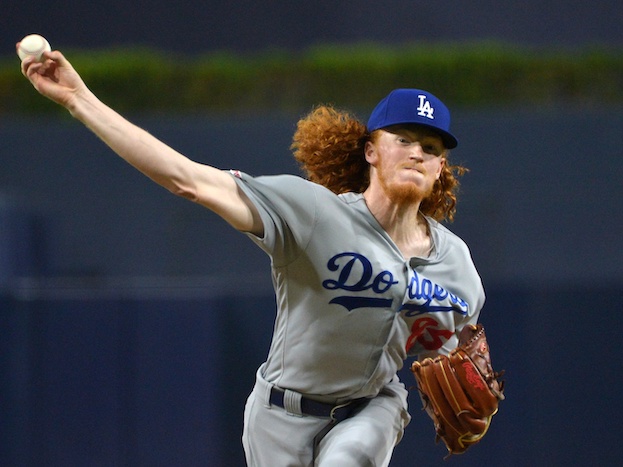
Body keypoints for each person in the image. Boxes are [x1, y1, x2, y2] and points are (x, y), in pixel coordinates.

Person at [20, 45, 485, 466]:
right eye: (402, 139)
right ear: (371, 151)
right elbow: (188, 179)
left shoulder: (456, 265)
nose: (416, 153)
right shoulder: (313, 213)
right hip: (278, 415)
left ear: (440, 167)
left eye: (430, 148)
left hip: (373, 407)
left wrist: (473, 398)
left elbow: (454, 354)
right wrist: (79, 100)